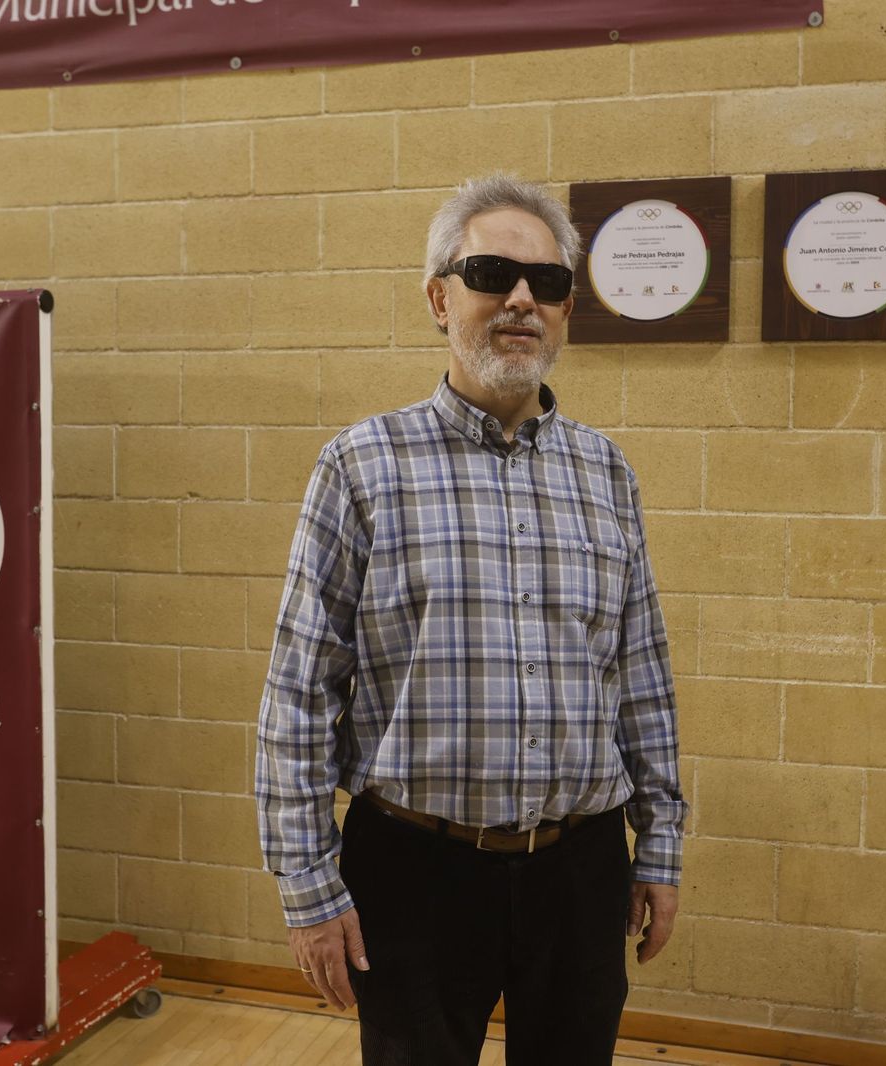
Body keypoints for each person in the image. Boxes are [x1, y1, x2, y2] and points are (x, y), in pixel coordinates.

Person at [255, 172, 686, 1065]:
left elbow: (640, 675)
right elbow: (299, 694)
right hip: (414, 874)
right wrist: (307, 886)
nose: (523, 299)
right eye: (493, 272)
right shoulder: (361, 468)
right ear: (440, 297)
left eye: (550, 283)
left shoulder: (607, 475)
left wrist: (662, 846)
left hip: (581, 870)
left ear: (567, 311)